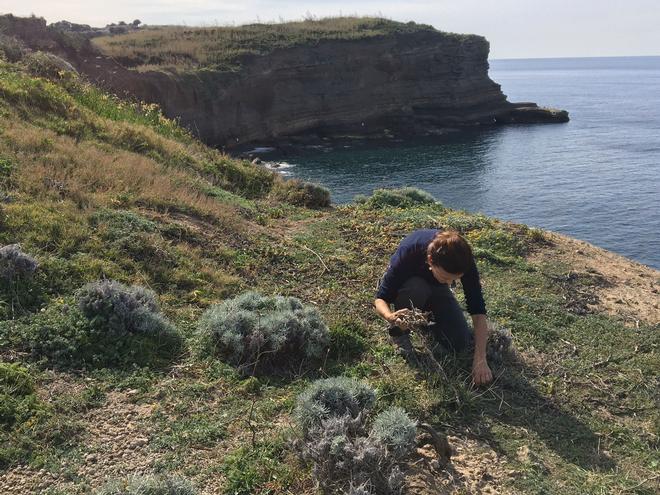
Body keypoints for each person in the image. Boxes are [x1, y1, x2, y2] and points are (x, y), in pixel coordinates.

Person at [373, 229, 493, 386]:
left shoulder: (463, 260)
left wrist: (480, 359)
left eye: (454, 279)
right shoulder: (409, 253)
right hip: (410, 287)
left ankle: (425, 321)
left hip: (436, 289)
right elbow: (381, 299)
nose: (450, 284)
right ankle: (400, 335)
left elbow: (478, 312)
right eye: (445, 277)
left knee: (459, 342)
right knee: (416, 287)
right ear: (430, 260)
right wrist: (390, 317)